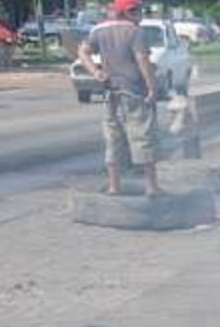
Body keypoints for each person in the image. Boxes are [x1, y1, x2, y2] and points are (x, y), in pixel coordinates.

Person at [77, 0, 160, 196]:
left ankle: (115, 187)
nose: (141, 13)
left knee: (113, 139)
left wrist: (95, 72)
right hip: (134, 91)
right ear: (128, 12)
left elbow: (82, 52)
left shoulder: (99, 31)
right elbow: (142, 59)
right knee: (143, 137)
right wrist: (152, 87)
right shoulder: (135, 31)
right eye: (137, 10)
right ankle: (151, 187)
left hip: (110, 93)